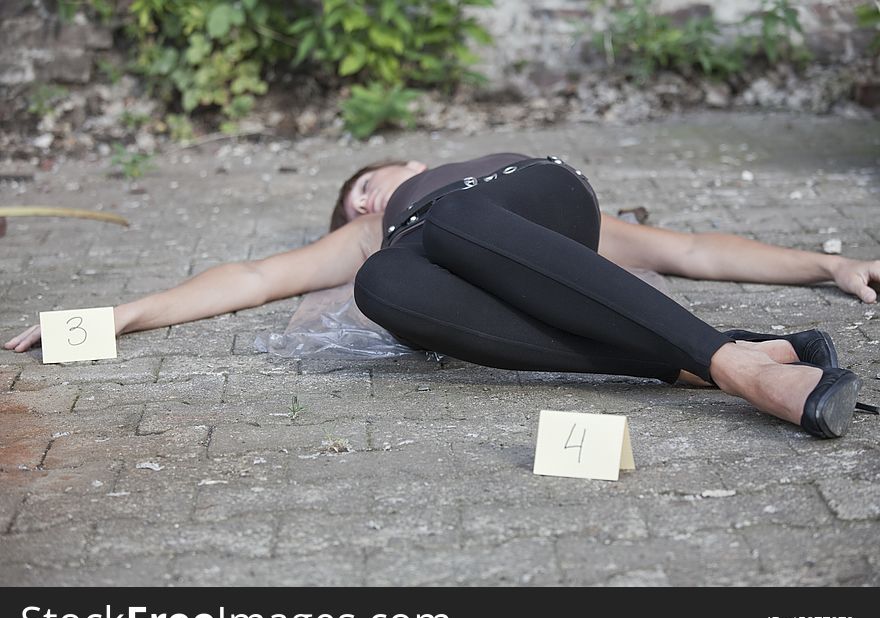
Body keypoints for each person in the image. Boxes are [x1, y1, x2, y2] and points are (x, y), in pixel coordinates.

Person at [5, 153, 879, 438]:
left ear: (408, 165)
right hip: (463, 256)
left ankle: (735, 365)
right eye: (352, 202)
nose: (362, 200)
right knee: (386, 283)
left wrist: (828, 264)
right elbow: (250, 280)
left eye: (370, 184)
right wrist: (110, 317)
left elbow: (686, 249)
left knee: (450, 221)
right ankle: (730, 357)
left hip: (536, 197)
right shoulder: (371, 242)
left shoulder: (465, 178)